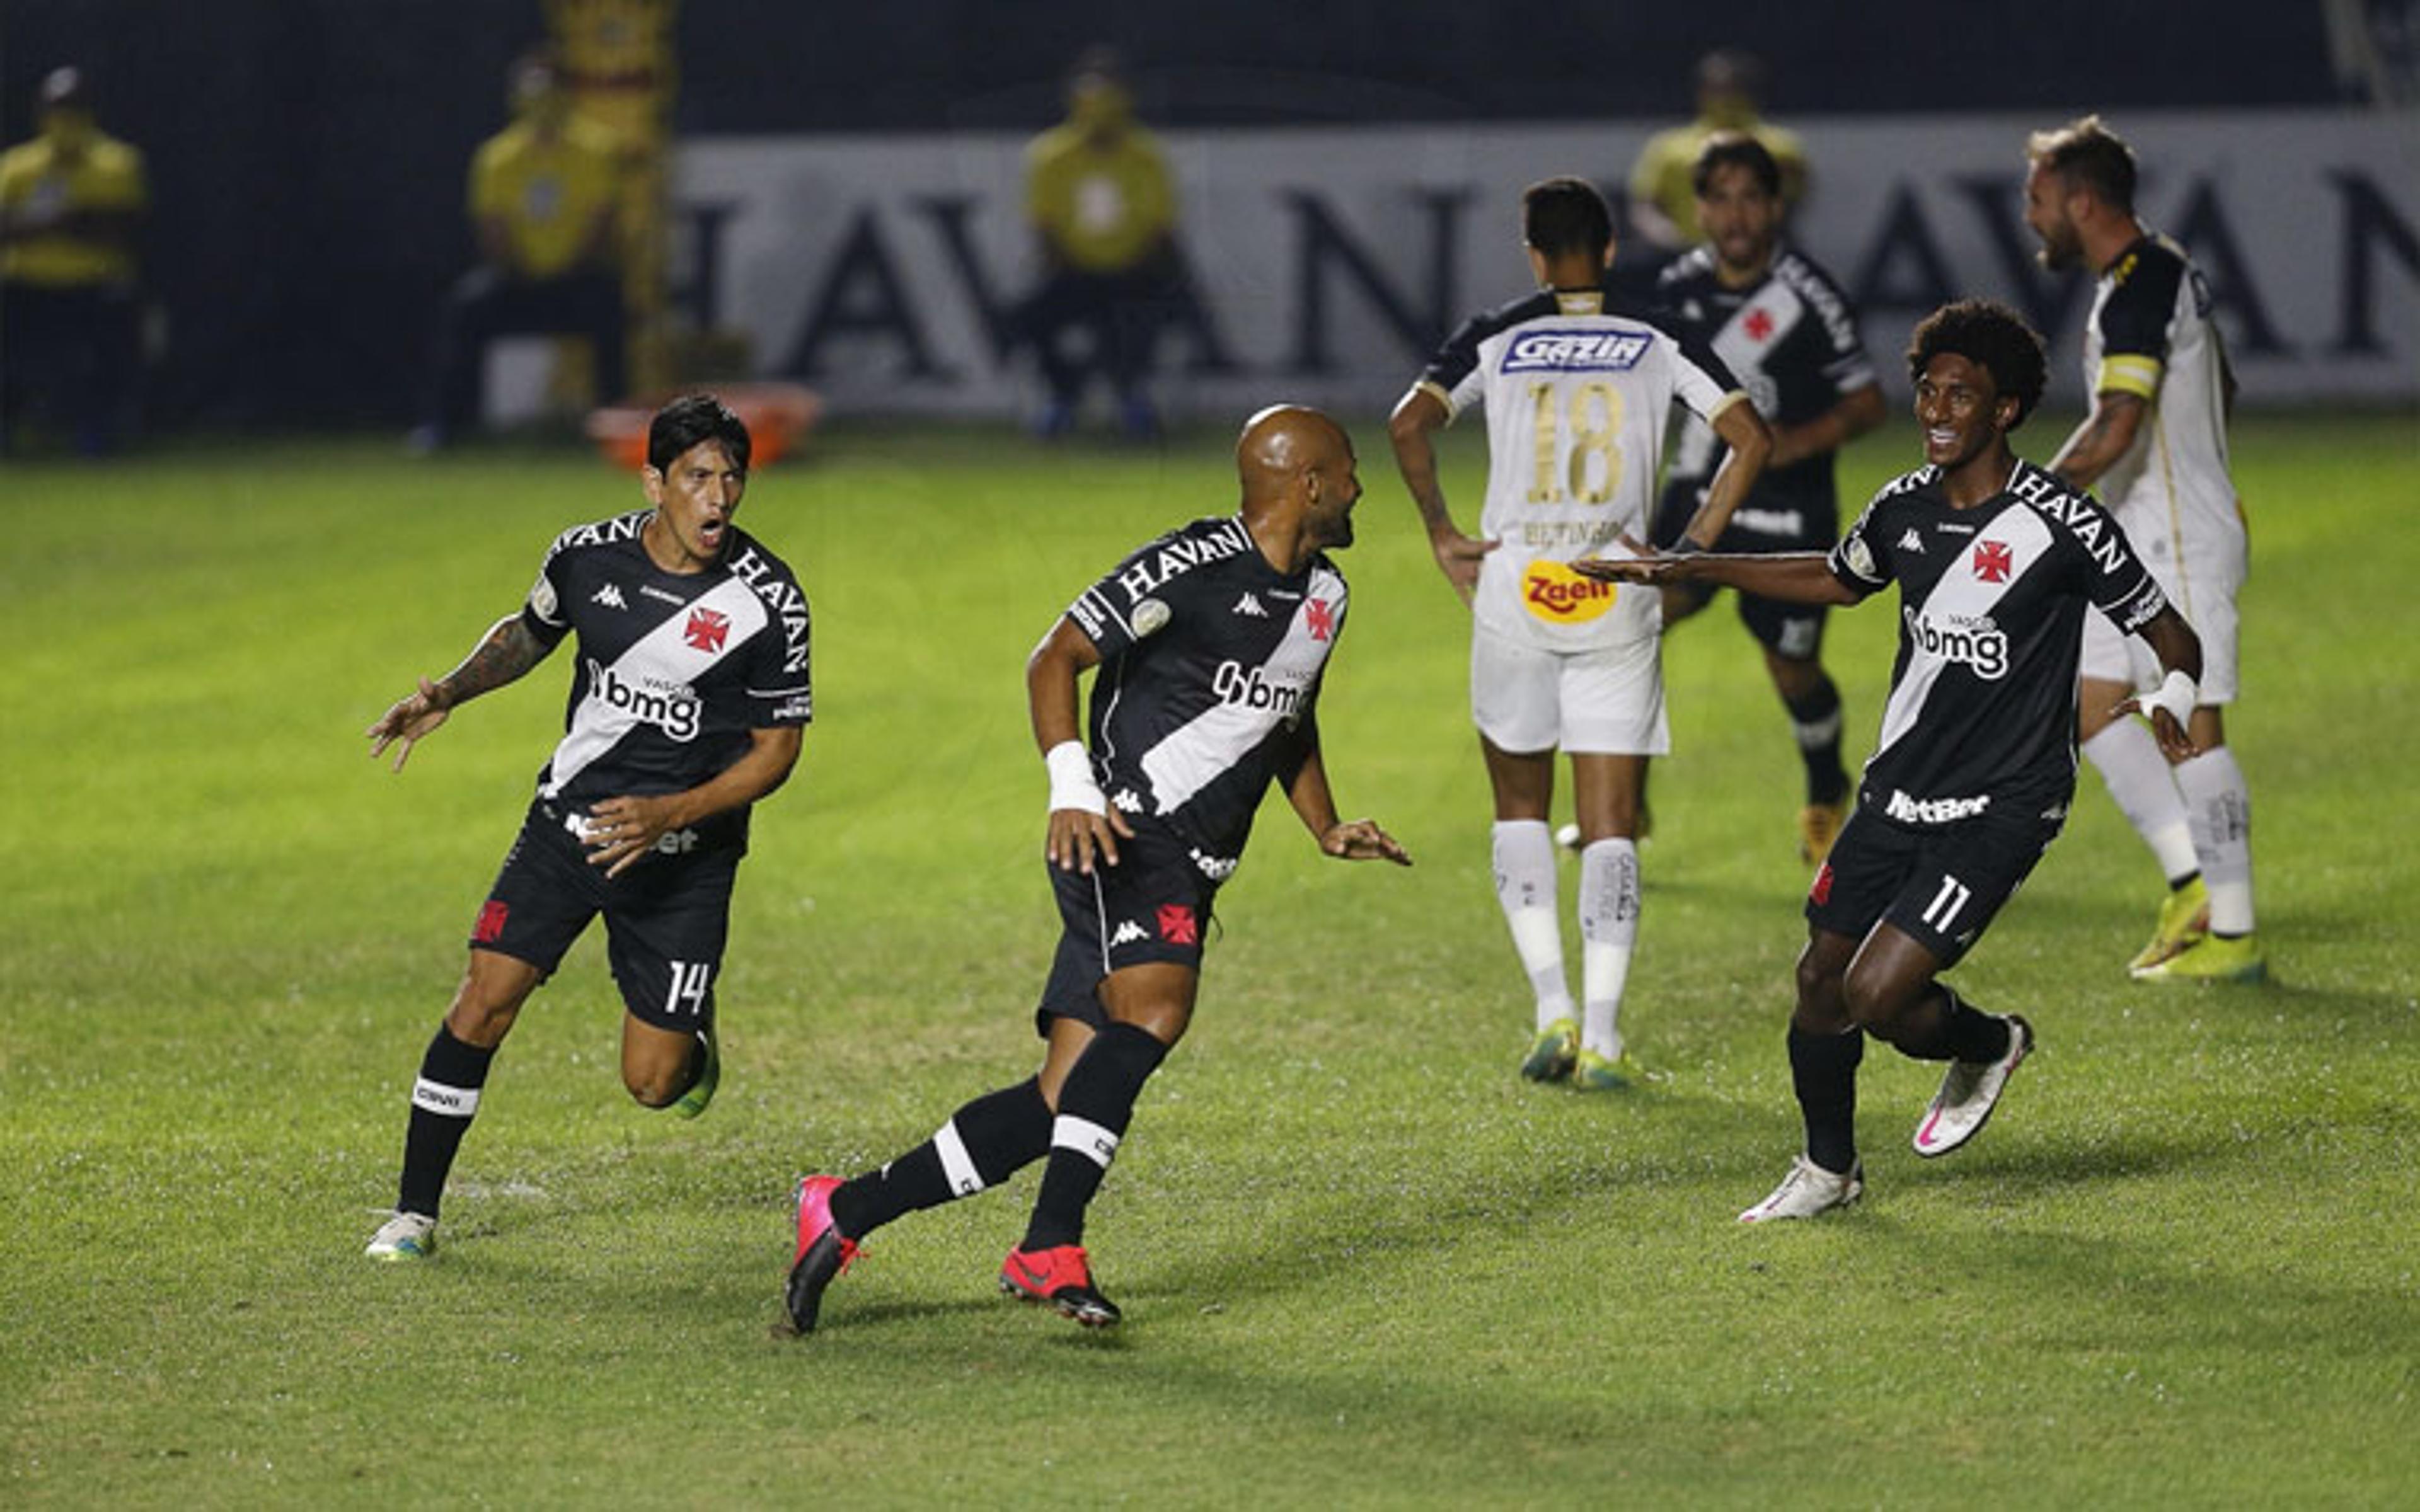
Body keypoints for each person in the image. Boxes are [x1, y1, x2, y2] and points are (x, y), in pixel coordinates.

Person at [783, 405, 1408, 1333]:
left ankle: (843, 1209)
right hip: (1119, 832)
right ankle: (1049, 1245)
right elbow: (1057, 656)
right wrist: (1071, 787)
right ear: (1309, 483)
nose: (1361, 486)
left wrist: (1321, 823)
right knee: (1155, 1010)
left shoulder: (1327, 598)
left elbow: (1286, 714)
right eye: (1350, 468)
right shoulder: (1190, 567)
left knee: (1059, 1101)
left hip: (1193, 863)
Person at [1576, 299, 2204, 1221]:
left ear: (2006, 411)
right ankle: (1829, 1172)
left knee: (1876, 993)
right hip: (1898, 790)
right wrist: (1688, 566)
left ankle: (1988, 1042)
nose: (1937, 410)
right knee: (1819, 984)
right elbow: (1839, 575)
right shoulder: (1903, 506)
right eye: (1928, 391)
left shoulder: (2060, 521)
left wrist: (2171, 700)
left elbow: (2172, 635)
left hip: (2004, 805)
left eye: (1963, 396)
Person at [363, 393, 810, 1261]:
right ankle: (413, 1215)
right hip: (566, 826)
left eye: (731, 479)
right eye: (697, 479)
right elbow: (530, 633)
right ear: (654, 481)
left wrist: (669, 814)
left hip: (683, 856)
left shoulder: (769, 602)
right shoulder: (585, 556)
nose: (718, 499)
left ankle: (692, 1039)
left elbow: (777, 752)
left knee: (653, 1084)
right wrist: (447, 692)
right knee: (483, 1000)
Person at [1388, 176, 1771, 1091]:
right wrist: (1690, 550)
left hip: (1517, 588)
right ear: (1606, 251)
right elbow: (1750, 437)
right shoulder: (1657, 336)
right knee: (1608, 827)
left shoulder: (1496, 334)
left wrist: (1444, 532)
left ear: (1532, 254)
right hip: (1619, 588)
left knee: (1519, 809)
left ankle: (1548, 1008)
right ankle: (1602, 1032)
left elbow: (1409, 425)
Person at [2024, 115, 2264, 983]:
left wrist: (2030, 501)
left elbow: (2119, 420)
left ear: (2083, 201)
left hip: (2176, 539)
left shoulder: (2143, 281)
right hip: (2138, 533)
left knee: (2190, 727)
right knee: (2093, 708)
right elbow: (2223, 381)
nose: (2031, 215)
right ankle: (2194, 881)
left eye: (2041, 198)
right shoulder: (2145, 275)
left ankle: (2235, 938)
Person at [1649, 134, 1886, 863]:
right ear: (1699, 209)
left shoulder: (1808, 296)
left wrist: (1800, 439)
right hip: (1693, 499)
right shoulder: (1674, 288)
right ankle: (1621, 809)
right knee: (1629, 635)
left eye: (1751, 197)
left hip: (1787, 510)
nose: (1736, 215)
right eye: (1720, 199)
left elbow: (1868, 401)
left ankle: (1824, 788)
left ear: (1775, 206)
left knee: (1793, 668)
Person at [413, 52, 626, 452]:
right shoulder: (497, 157)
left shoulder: (596, 150)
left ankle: (613, 426)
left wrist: (567, 268)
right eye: (534, 92)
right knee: (466, 307)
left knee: (609, 303)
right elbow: (491, 228)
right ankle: (443, 426)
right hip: (517, 279)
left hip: (576, 279)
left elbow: (602, 223)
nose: (543, 103)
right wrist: (519, 268)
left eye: (551, 91)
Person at [1016, 47, 1187, 440]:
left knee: (1145, 320)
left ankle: (1132, 399)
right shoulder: (1051, 155)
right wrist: (1066, 265)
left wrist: (1139, 265)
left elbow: (1161, 227)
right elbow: (1044, 224)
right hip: (1073, 271)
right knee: (1028, 321)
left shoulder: (1146, 156)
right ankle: (1063, 395)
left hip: (1132, 272)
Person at [0, 66, 146, 455]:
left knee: (112, 337)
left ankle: (97, 432)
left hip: (91, 289)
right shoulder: (17, 166)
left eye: (74, 108)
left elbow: (122, 230)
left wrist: (50, 223)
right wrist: (65, 220)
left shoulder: (116, 163)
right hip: (28, 289)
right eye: (58, 108)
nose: (65, 120)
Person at [1627, 50, 1809, 259]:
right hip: (1685, 258)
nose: (1725, 98)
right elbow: (1646, 207)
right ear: (1702, 92)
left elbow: (1790, 205)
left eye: (1734, 89)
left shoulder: (1781, 147)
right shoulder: (1669, 148)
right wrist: (1672, 241)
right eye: (1717, 90)